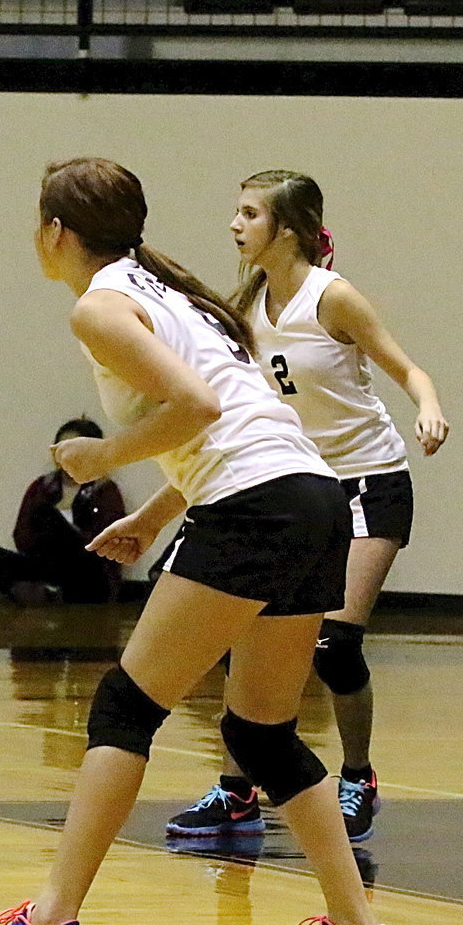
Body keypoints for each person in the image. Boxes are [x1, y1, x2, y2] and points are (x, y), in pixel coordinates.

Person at [0, 157, 396, 925]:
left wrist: (98, 458)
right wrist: (152, 515)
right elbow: (227, 420)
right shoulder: (167, 288)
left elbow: (195, 409)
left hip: (257, 506)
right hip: (311, 497)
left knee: (124, 710)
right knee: (260, 733)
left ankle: (52, 922)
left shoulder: (102, 306)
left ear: (56, 233)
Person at [167, 171, 448, 844]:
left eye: (248, 213)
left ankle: (357, 777)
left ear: (286, 229)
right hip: (296, 490)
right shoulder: (248, 304)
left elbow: (406, 369)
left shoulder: (334, 298)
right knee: (245, 636)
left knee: (335, 643)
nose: (235, 225)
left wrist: (429, 407)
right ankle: (236, 790)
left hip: (369, 482)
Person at [0, 417, 126, 606]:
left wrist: (68, 536)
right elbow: (21, 533)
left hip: (86, 570)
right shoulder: (41, 487)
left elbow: (109, 542)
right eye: (59, 447)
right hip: (44, 564)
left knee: (47, 515)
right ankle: (43, 593)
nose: (63, 454)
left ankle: (52, 593)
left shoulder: (105, 490)